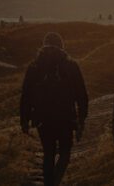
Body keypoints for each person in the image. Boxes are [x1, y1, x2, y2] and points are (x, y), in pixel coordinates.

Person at [20, 32, 89, 186]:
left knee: (48, 153)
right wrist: (82, 118)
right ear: (62, 46)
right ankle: (54, 182)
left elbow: (26, 95)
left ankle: (49, 183)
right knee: (65, 153)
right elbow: (81, 94)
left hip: (43, 118)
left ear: (43, 45)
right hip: (66, 117)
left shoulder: (35, 66)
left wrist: (24, 120)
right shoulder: (71, 65)